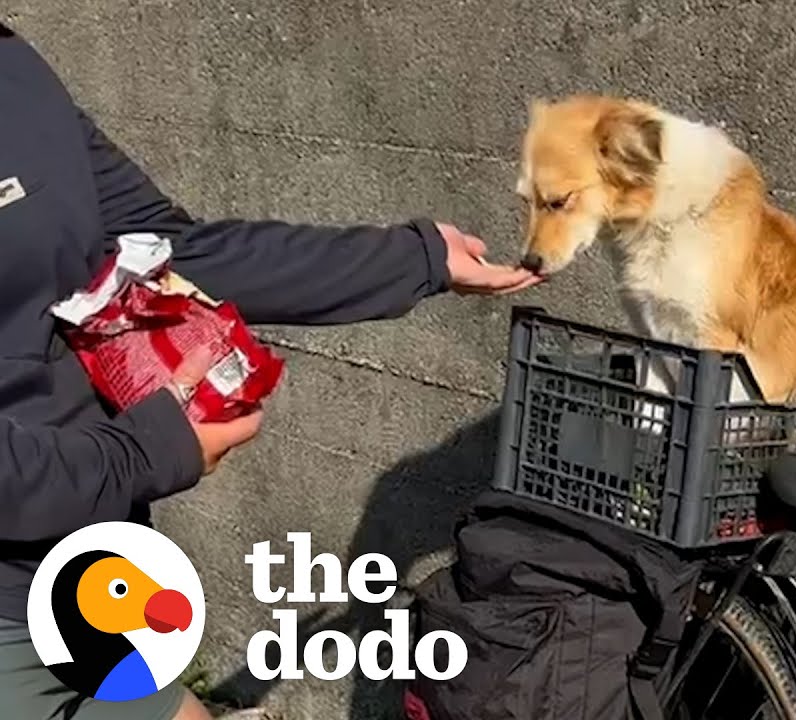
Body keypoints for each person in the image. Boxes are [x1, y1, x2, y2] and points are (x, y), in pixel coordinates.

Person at [0, 23, 541, 720]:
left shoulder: (16, 69)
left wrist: (415, 261)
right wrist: (149, 451)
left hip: (84, 573)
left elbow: (167, 249)